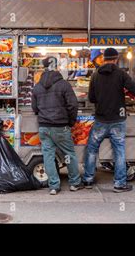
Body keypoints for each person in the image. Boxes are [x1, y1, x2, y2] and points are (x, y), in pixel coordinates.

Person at [82, 47, 135, 193]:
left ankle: (88, 180)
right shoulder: (121, 74)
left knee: (91, 149)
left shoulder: (95, 75)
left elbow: (91, 98)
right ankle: (119, 184)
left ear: (104, 58)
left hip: (101, 119)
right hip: (117, 119)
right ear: (116, 59)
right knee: (119, 151)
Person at [31, 56, 83, 195]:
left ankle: (54, 186)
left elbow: (35, 108)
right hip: (60, 126)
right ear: (57, 67)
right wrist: (71, 121)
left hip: (44, 127)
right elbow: (73, 105)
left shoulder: (37, 87)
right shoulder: (64, 85)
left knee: (48, 155)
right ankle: (74, 183)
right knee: (69, 154)